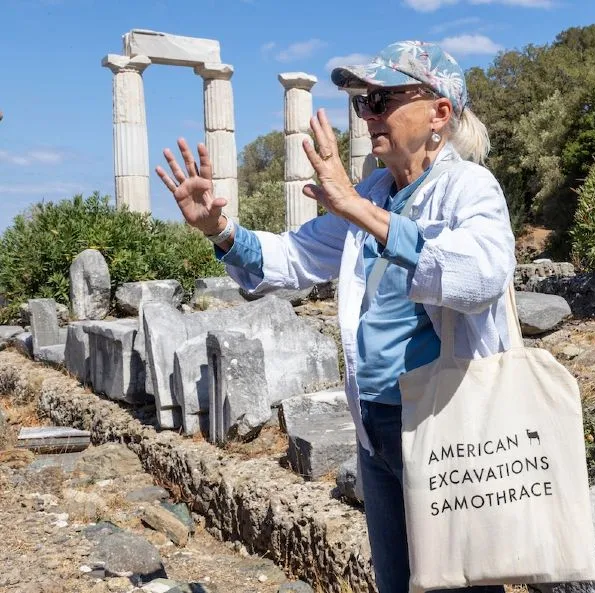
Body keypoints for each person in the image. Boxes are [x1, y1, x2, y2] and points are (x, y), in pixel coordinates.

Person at [156, 40, 515, 593]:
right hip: (376, 424)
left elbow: (478, 277)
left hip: (446, 428)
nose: (368, 113)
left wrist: (356, 209)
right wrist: (219, 232)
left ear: (439, 111)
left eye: (383, 99)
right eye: (362, 103)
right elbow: (296, 258)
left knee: (459, 582)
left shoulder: (467, 188)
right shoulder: (373, 190)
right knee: (397, 582)